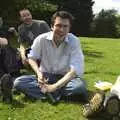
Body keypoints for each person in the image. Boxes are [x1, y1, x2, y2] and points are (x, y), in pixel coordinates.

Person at [14, 11, 88, 103]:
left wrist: (55, 86)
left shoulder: (74, 41)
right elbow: (32, 57)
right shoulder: (41, 39)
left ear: (69, 28)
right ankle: (59, 95)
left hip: (65, 78)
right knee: (18, 82)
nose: (61, 30)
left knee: (79, 86)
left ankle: (48, 93)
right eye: (58, 25)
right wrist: (39, 73)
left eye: (65, 26)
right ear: (52, 26)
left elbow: (74, 70)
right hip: (45, 77)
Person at [0, 17, 19, 103]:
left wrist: (14, 31)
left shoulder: (4, 30)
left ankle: (8, 81)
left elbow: (16, 38)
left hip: (5, 56)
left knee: (8, 50)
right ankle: (8, 83)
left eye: (0, 20)